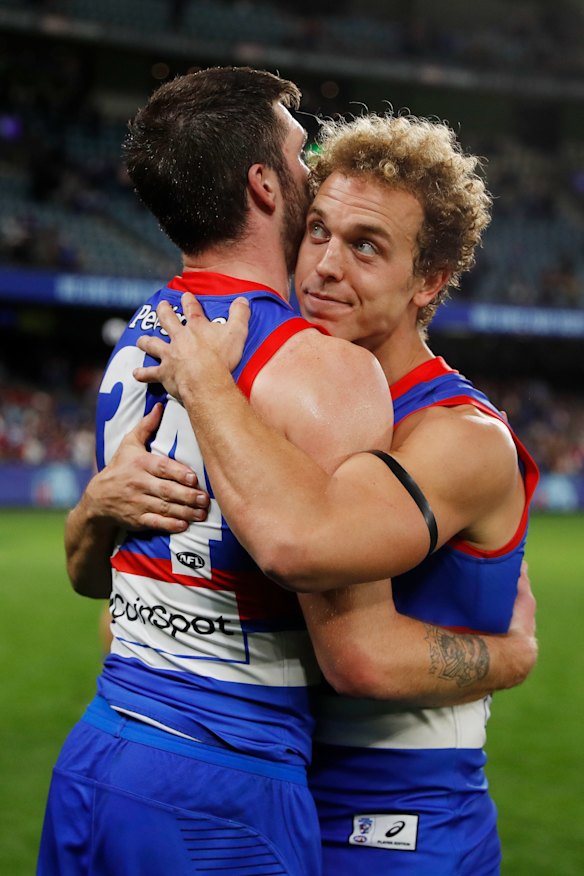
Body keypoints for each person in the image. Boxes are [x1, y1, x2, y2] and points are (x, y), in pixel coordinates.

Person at [39, 67, 533, 876]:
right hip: (268, 783)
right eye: (319, 231)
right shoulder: (273, 373)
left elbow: (357, 650)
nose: (326, 267)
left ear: (429, 282)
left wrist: (509, 656)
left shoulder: (460, 435)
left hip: (398, 823)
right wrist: (102, 506)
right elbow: (124, 609)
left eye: (367, 246)